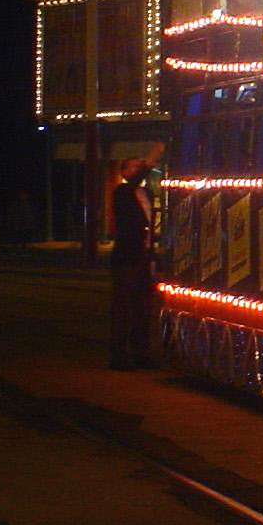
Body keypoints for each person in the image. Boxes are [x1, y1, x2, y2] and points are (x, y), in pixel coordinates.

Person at [109, 157, 156, 370]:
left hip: (144, 256)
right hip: (127, 257)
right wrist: (153, 157)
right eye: (134, 166)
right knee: (123, 307)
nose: (139, 169)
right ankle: (119, 356)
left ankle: (141, 352)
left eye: (140, 165)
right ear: (125, 173)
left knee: (143, 307)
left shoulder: (146, 193)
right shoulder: (122, 192)